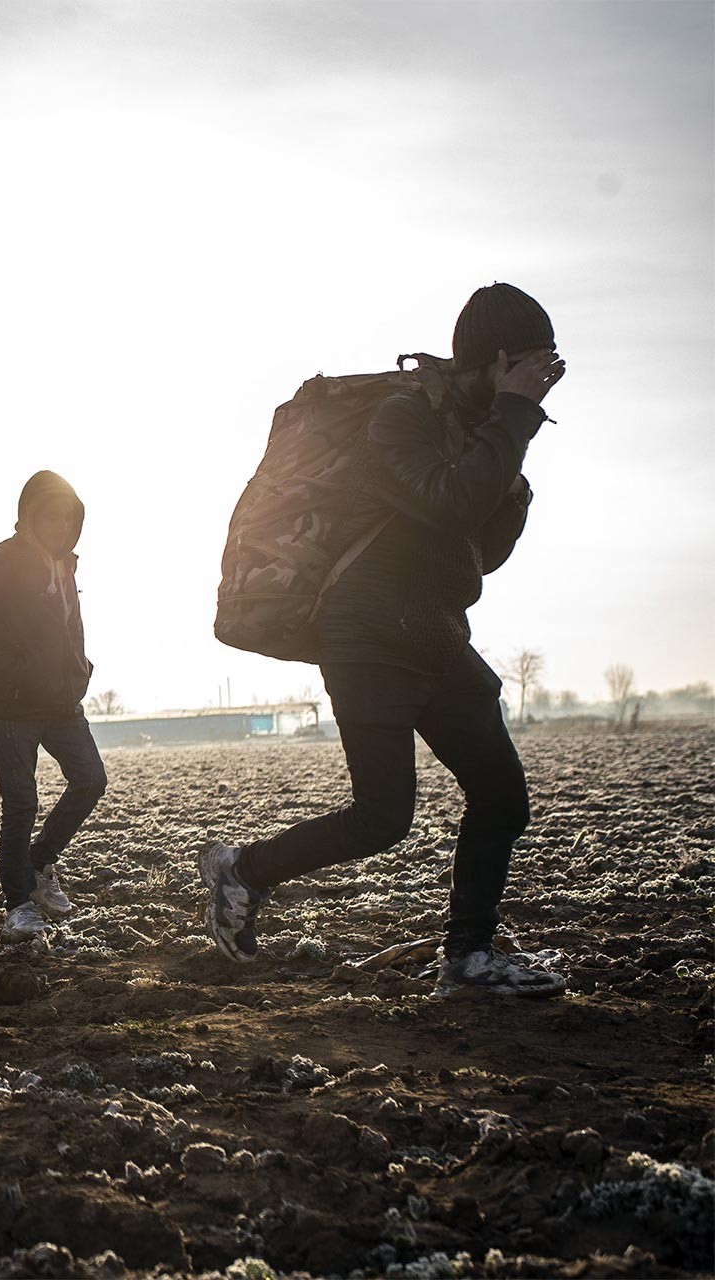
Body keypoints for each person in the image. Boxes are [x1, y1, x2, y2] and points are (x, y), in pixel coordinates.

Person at [200, 283, 568, 997]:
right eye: (529, 363)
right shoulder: (403, 415)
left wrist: (511, 481)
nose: (541, 379)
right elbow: (444, 502)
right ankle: (241, 871)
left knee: (502, 797)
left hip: (431, 630)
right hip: (366, 632)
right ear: (494, 360)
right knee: (382, 816)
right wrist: (515, 422)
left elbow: (479, 552)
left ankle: (467, 960)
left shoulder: (484, 426)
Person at [0, 470, 107, 942]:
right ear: (29, 518)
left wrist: (79, 670)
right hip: (15, 706)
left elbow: (67, 628)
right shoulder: (3, 563)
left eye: (68, 520)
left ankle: (38, 865)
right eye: (51, 518)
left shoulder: (67, 564)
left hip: (61, 701)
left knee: (90, 780)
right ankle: (18, 906)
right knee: (20, 804)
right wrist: (16, 666)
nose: (60, 528)